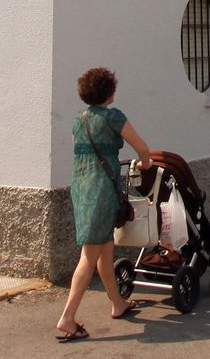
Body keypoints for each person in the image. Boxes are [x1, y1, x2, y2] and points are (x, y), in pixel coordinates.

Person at [56, 67, 154, 343]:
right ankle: (67, 318)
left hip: (81, 187)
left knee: (104, 251)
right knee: (90, 255)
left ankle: (118, 303)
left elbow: (81, 152)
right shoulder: (114, 117)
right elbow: (142, 148)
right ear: (109, 92)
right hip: (102, 191)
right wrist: (146, 166)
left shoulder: (78, 120)